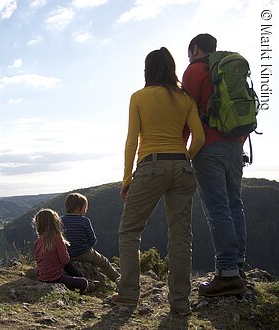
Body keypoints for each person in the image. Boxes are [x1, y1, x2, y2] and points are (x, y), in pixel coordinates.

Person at [112, 47, 205, 316]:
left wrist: (127, 178)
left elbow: (132, 141)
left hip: (150, 166)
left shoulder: (139, 97)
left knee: (130, 230)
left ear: (147, 70)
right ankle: (180, 303)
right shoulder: (185, 97)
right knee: (180, 237)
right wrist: (182, 158)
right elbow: (198, 138)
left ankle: (129, 294)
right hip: (181, 166)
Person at [182, 33, 247, 297]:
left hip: (209, 147)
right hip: (237, 144)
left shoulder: (195, 70)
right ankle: (238, 265)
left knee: (217, 209)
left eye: (189, 52)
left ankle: (227, 273)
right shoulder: (228, 67)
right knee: (235, 204)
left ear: (195, 49)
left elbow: (186, 114)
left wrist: (181, 150)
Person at [61, 192, 120, 282]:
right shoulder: (84, 221)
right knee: (104, 262)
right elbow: (92, 240)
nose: (86, 210)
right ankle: (119, 279)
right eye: (85, 208)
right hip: (83, 253)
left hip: (66, 254)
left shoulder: (60, 220)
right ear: (78, 208)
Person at [32, 208, 93, 293]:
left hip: (42, 277)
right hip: (56, 278)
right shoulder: (56, 237)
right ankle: (87, 283)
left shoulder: (37, 242)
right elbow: (65, 260)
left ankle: (82, 282)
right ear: (55, 222)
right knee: (83, 283)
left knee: (69, 270)